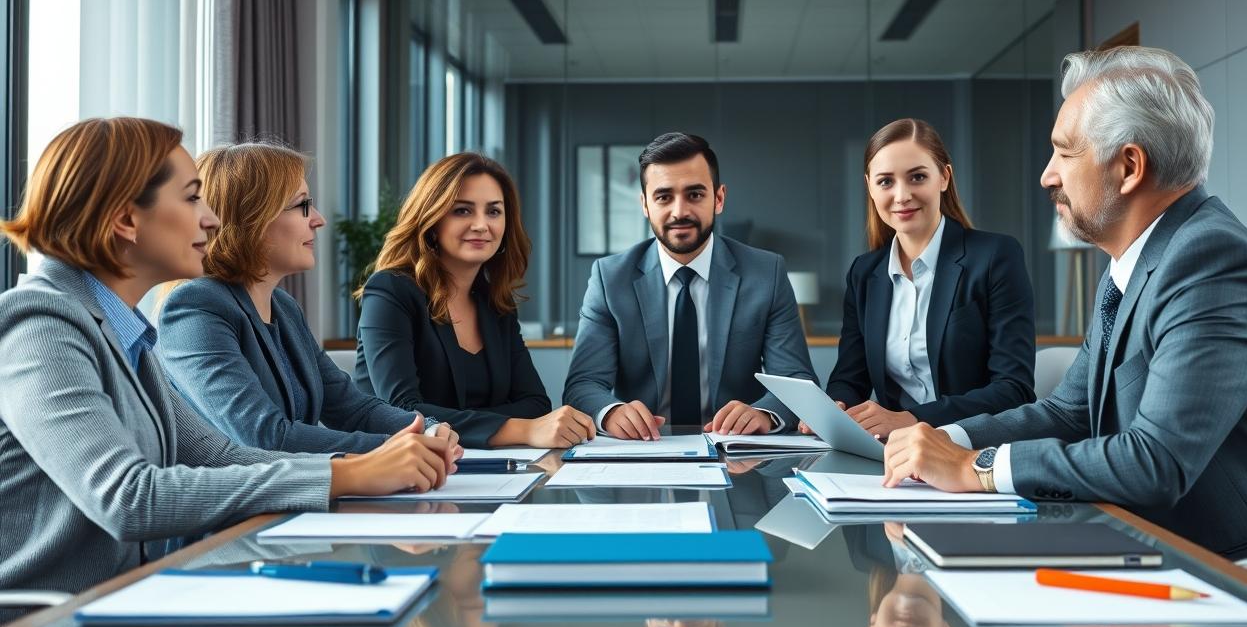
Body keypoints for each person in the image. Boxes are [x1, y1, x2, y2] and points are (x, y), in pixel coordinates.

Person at [878, 47, 1247, 605]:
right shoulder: (1135, 261)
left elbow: (1156, 461)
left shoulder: (1212, 261)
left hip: (1237, 592)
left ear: (1128, 167)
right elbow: (1068, 412)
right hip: (1143, 570)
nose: (1048, 175)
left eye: (1064, 153)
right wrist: (943, 440)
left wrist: (975, 469)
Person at [0, 117, 460, 597]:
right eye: (192, 197)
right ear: (125, 219)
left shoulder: (123, 329)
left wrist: (369, 466)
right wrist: (348, 473)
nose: (212, 218)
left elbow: (219, 456)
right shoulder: (40, 322)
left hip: (127, 609)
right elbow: (127, 498)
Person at [159, 143, 444, 453]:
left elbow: (350, 406)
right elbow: (265, 436)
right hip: (237, 499)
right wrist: (394, 448)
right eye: (303, 205)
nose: (319, 219)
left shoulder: (284, 308)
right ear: (251, 217)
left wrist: (428, 430)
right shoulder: (195, 308)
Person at [563, 132, 817, 440]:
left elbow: (797, 380)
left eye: (694, 194)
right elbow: (582, 385)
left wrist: (763, 413)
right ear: (645, 204)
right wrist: (611, 412)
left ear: (719, 198)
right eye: (664, 197)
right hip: (642, 454)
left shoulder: (767, 273)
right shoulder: (609, 278)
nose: (679, 211)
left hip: (738, 456)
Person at [355, 152, 596, 449]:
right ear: (431, 218)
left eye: (493, 212)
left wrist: (461, 423)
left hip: (487, 468)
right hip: (400, 470)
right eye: (462, 211)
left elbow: (535, 404)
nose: (482, 225)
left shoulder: (496, 303)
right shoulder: (391, 290)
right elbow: (403, 412)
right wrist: (521, 430)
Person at [823, 118, 1036, 437]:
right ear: (869, 186)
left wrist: (911, 418)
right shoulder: (865, 273)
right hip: (893, 453)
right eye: (885, 182)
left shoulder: (995, 256)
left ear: (944, 177)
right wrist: (834, 408)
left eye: (917, 177)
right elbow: (850, 378)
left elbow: (1013, 390)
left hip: (971, 448)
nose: (902, 195)